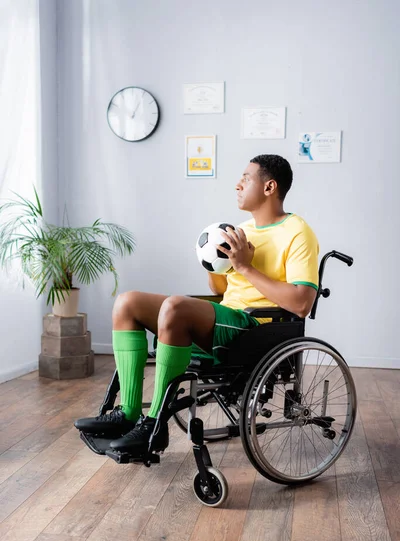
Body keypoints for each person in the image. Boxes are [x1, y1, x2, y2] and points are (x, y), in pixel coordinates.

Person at [74, 154, 319, 456]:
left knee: (175, 307)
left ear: (269, 187)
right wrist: (212, 262)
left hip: (256, 327)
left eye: (246, 178)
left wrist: (244, 267)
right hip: (227, 316)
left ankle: (154, 426)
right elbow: (220, 290)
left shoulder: (297, 232)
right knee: (127, 303)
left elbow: (301, 303)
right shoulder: (241, 230)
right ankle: (127, 413)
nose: (237, 185)